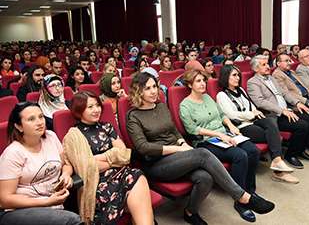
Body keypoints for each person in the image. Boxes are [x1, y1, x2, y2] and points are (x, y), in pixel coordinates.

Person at [127, 72, 275, 224]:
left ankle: (190, 212)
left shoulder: (161, 106)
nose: (153, 91)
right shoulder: (133, 116)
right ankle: (242, 197)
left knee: (205, 178)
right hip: (156, 163)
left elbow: (173, 130)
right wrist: (179, 149)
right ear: (138, 91)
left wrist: (181, 143)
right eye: (147, 88)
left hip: (177, 157)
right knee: (203, 154)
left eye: (154, 87)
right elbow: (143, 147)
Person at [63, 92, 154, 224]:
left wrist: (101, 158)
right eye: (90, 107)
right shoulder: (73, 136)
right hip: (97, 182)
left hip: (122, 173)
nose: (96, 110)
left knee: (137, 175)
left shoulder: (106, 127)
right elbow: (89, 167)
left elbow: (124, 155)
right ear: (79, 110)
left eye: (97, 105)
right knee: (138, 201)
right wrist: (113, 158)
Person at [0, 102, 82, 225]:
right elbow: (5, 200)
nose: (39, 122)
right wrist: (47, 201)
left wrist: (65, 175)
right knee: (72, 221)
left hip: (53, 202)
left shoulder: (51, 137)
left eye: (41, 116)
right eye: (31, 119)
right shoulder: (13, 153)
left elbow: (66, 164)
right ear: (19, 126)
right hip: (20, 209)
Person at [180, 70, 261, 193]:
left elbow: (222, 115)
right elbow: (192, 129)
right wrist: (219, 134)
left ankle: (250, 191)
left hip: (224, 134)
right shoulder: (185, 105)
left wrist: (231, 126)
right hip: (206, 141)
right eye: (198, 81)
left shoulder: (207, 97)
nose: (202, 84)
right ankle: (240, 195)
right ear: (190, 85)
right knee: (240, 155)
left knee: (253, 150)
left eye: (203, 80)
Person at [217, 65, 298, 183]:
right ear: (225, 77)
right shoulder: (222, 95)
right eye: (234, 75)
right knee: (275, 137)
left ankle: (277, 162)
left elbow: (251, 105)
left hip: (254, 119)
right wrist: (251, 114)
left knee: (271, 121)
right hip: (242, 126)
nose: (238, 78)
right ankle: (279, 171)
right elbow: (231, 114)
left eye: (238, 75)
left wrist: (255, 111)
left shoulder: (241, 90)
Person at [247, 55, 309, 169]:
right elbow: (260, 102)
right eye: (263, 65)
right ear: (255, 69)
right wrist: (282, 110)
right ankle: (291, 155)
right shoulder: (252, 82)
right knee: (302, 125)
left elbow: (284, 93)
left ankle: (300, 150)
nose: (268, 66)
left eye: (267, 63)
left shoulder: (271, 78)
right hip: (274, 115)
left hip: (286, 109)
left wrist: (297, 103)